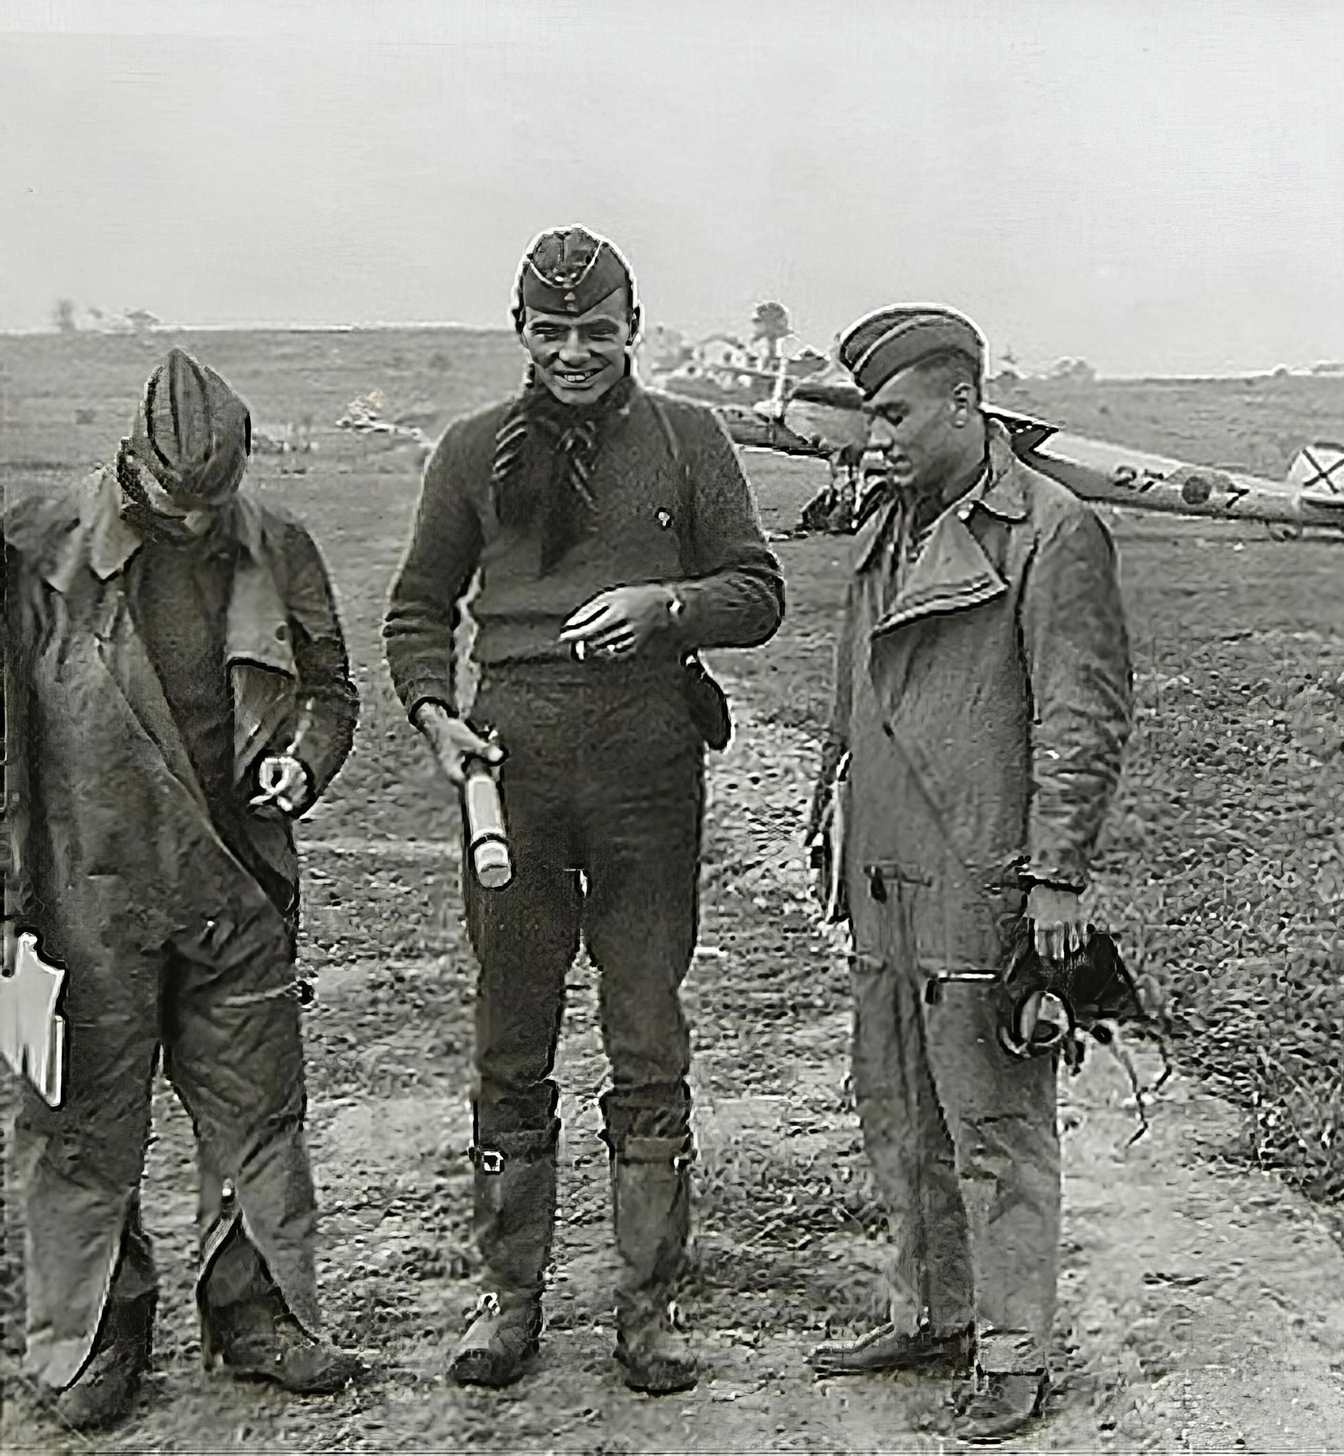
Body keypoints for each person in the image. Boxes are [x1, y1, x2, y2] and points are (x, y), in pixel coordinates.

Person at [382, 225, 785, 1394]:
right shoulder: (466, 453)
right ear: (519, 332)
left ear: (632, 330)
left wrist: (666, 604)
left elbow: (757, 592)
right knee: (510, 1033)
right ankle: (507, 1299)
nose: (573, 353)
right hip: (510, 765)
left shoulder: (688, 439)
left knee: (645, 1029)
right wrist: (429, 712)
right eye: (550, 332)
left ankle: (646, 1309)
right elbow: (417, 609)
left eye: (595, 332)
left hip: (646, 764)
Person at [1, 348, 364, 1430]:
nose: (200, 523)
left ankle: (254, 1312)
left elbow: (331, 687)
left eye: (218, 499)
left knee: (259, 1116)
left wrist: (305, 755)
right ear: (133, 462)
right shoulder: (35, 549)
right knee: (72, 1125)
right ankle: (94, 1334)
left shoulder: (279, 544)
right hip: (75, 900)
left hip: (237, 892)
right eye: (176, 502)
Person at [804, 305, 1133, 1442]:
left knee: (993, 1123)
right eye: (868, 417)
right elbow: (856, 694)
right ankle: (931, 1310)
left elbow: (1080, 714)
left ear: (962, 400)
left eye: (894, 413)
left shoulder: (1048, 531)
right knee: (896, 1108)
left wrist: (1053, 876)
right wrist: (827, 809)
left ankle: (1012, 1352)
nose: (877, 437)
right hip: (884, 868)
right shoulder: (885, 526)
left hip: (979, 867)